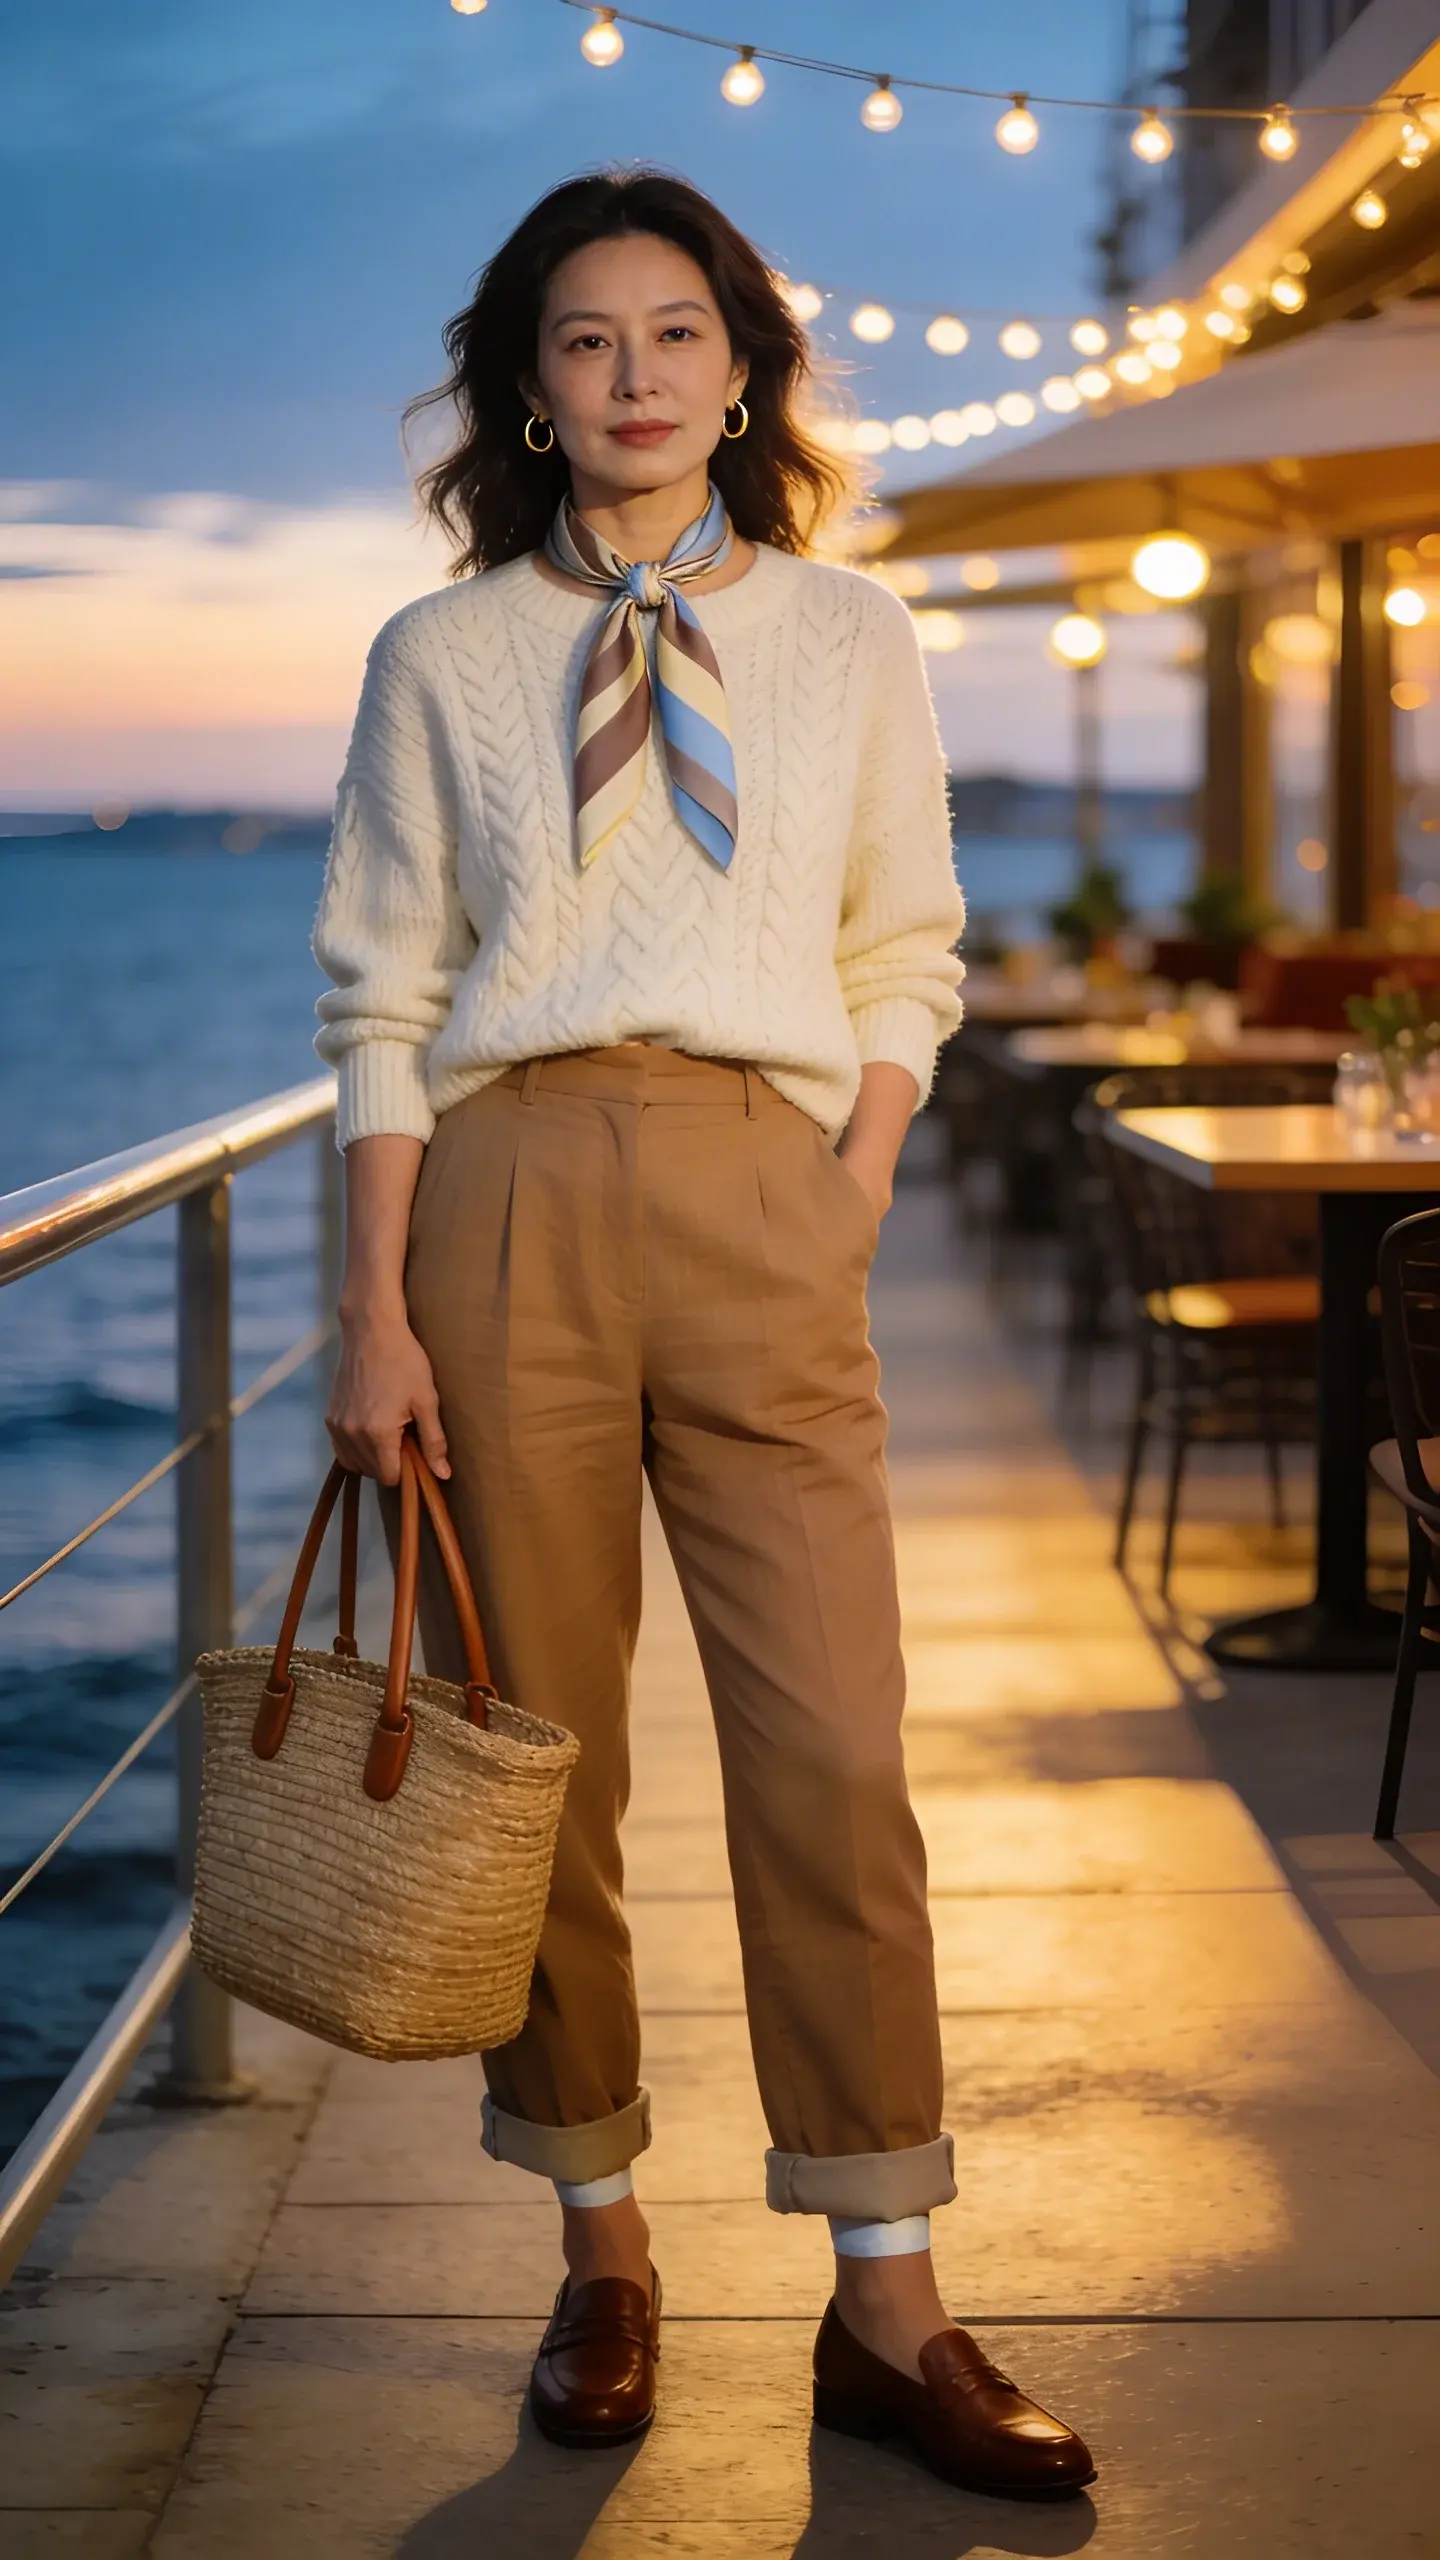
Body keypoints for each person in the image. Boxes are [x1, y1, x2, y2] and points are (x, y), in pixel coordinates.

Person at [313, 166, 1094, 2502]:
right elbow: (381, 997)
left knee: (836, 1750)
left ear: (741, 370)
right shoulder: (439, 655)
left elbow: (907, 948)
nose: (634, 374)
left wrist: (846, 1190)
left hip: (766, 1194)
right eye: (585, 338)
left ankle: (889, 2291)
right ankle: (602, 2241)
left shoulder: (851, 636)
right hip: (506, 1200)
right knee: (538, 1758)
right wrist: (375, 1305)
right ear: (528, 390)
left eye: (675, 331)